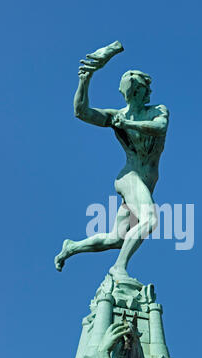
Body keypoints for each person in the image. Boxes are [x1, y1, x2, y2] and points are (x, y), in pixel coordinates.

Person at [54, 47, 169, 280]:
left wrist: (128, 124)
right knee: (150, 219)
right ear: (134, 91)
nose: (147, 92)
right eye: (142, 89)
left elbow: (160, 128)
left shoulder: (157, 110)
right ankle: (118, 268)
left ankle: (71, 247)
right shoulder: (116, 116)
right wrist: (84, 81)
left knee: (117, 239)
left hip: (144, 183)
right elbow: (81, 112)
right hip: (130, 177)